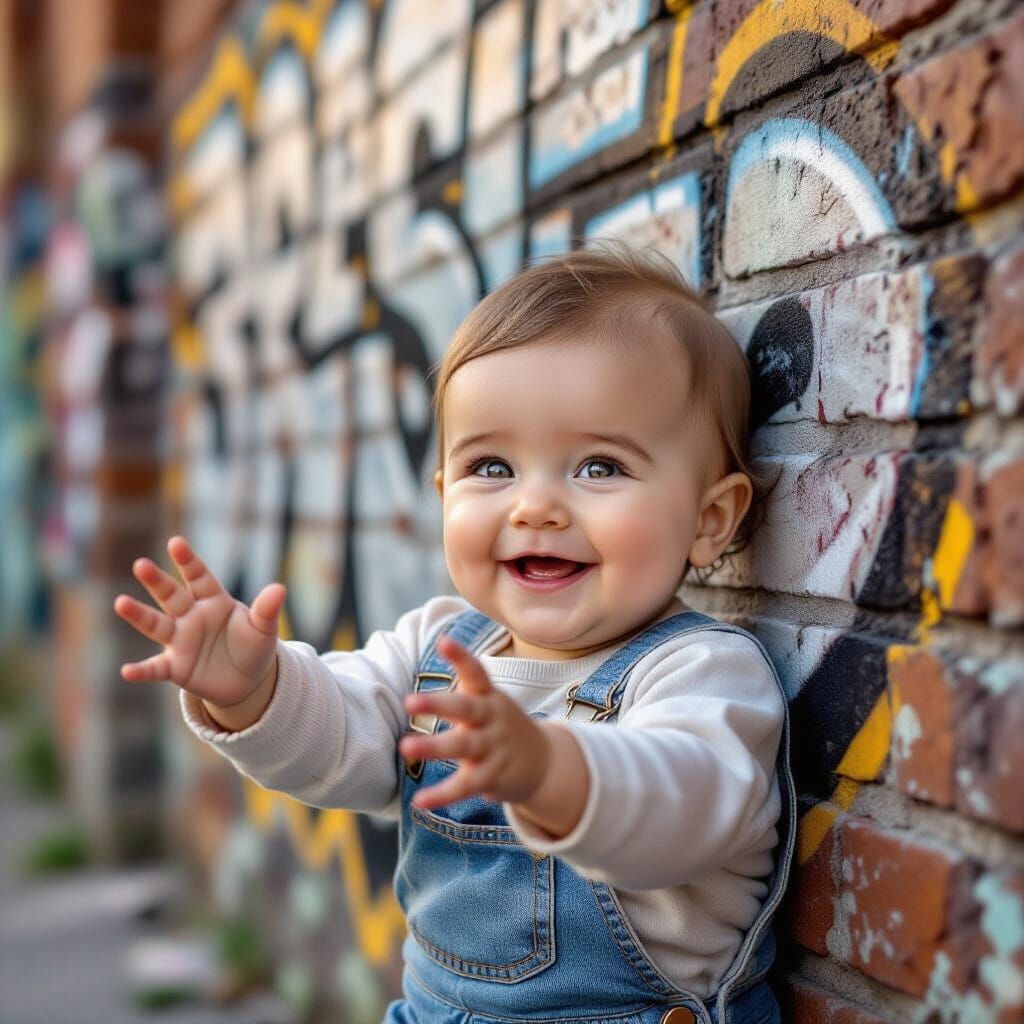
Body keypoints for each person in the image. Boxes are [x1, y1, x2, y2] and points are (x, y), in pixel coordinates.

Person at [114, 245, 795, 1024]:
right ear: (443, 492)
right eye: (493, 467)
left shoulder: (705, 673)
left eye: (600, 468)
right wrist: (255, 693)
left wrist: (550, 770)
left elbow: (681, 807)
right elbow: (340, 741)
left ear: (710, 521)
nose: (534, 506)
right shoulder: (437, 645)